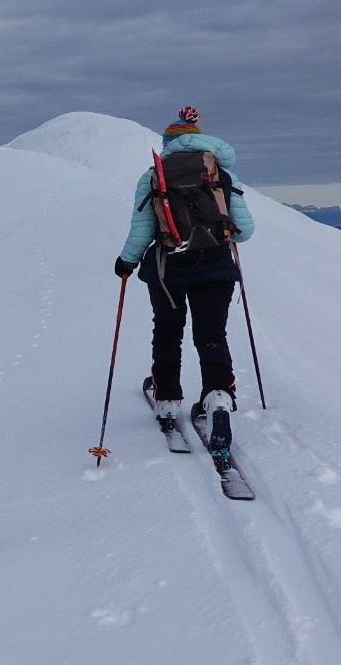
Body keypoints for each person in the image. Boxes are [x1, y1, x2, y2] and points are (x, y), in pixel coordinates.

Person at [113, 106, 255, 461]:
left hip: (167, 271)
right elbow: (246, 231)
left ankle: (166, 401)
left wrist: (127, 262)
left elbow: (142, 229)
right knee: (211, 335)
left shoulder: (153, 178)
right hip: (217, 268)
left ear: (167, 144)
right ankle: (219, 396)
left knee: (167, 330)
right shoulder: (222, 174)